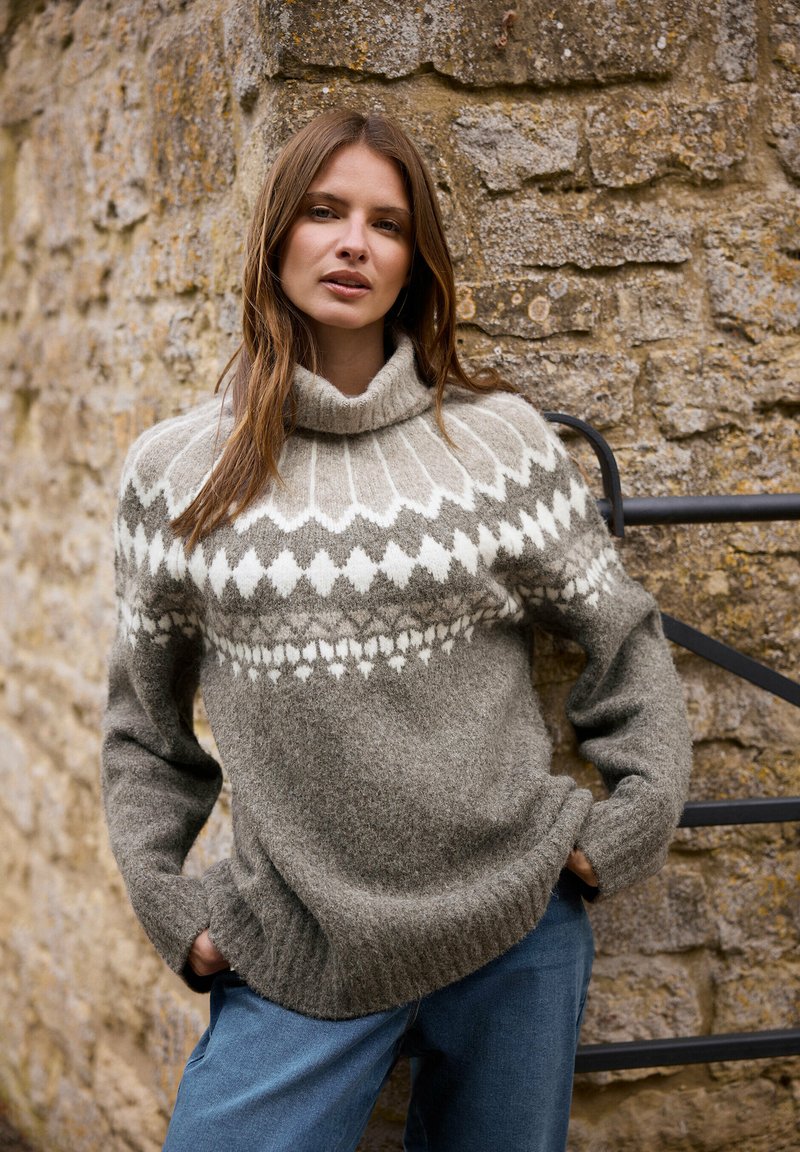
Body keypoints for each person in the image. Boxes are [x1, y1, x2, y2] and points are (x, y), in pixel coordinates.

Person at [101, 108, 692, 1152]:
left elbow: (621, 638)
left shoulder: (497, 444)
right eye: (324, 211)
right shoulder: (177, 473)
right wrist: (170, 906)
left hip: (516, 928)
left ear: (415, 259)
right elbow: (145, 729)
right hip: (297, 947)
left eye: (386, 223)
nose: (352, 244)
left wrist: (619, 831)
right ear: (276, 234)